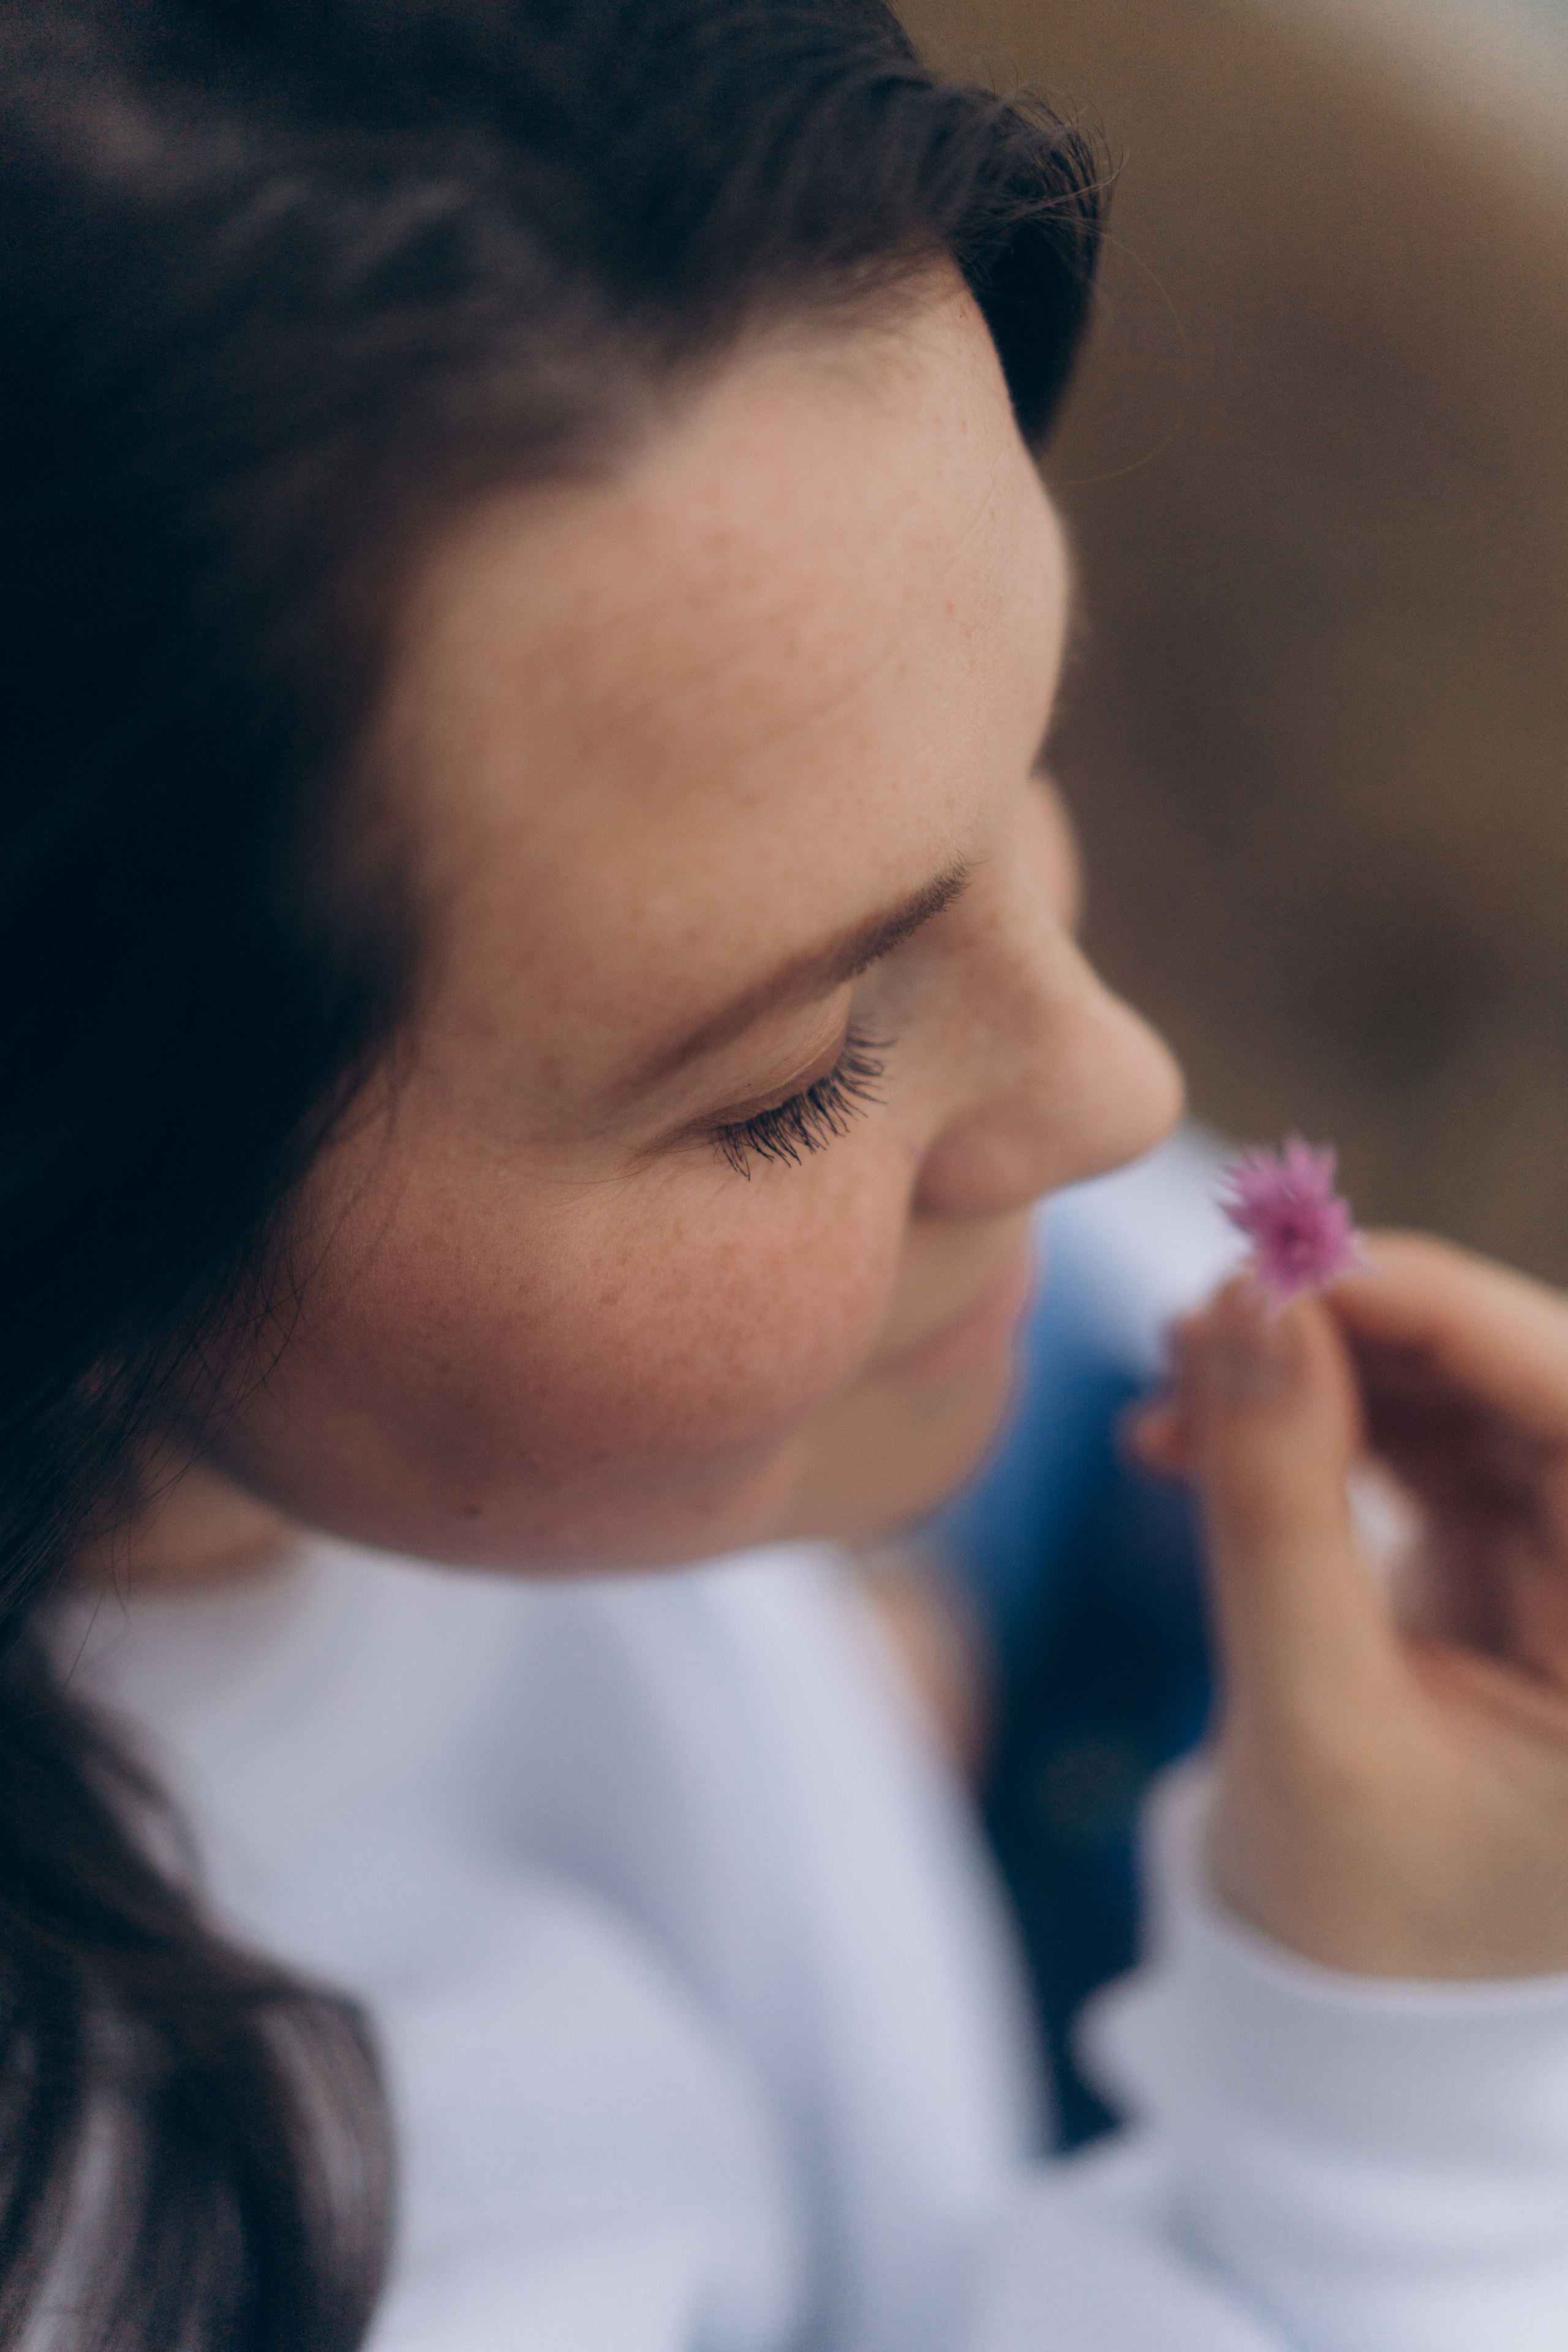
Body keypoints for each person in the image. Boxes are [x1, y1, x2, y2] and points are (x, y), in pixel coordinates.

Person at [5, 4, 1568, 2348]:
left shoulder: (491, 1412)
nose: (1123, 1080)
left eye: (1017, 768)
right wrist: (1380, 2119)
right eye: (803, 1076)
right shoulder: (263, 2232)